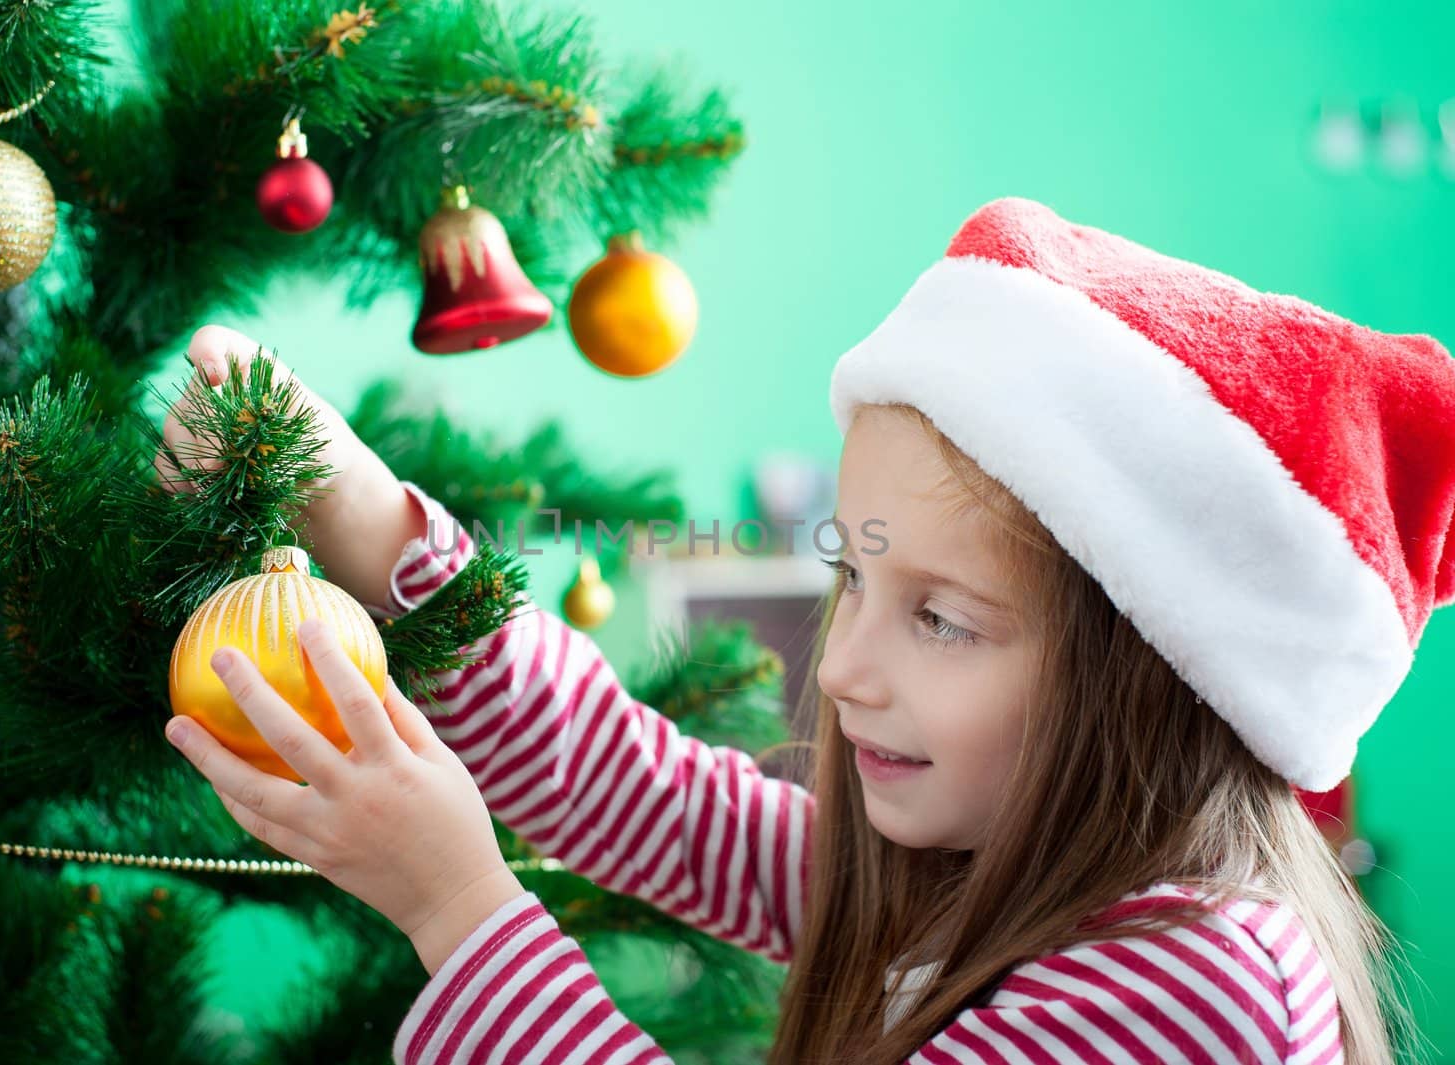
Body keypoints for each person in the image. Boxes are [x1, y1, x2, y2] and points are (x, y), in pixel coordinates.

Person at [159, 197, 1454, 1064]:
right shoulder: (977, 868)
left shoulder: (1187, 985)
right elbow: (635, 790)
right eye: (855, 577)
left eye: (942, 619)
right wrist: (357, 506)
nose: (837, 671)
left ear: (1154, 680)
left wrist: (457, 903)